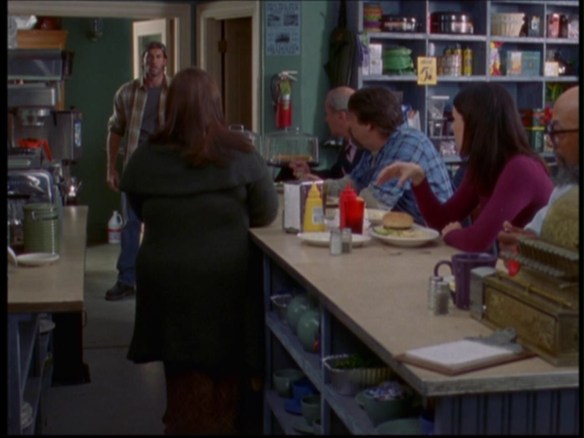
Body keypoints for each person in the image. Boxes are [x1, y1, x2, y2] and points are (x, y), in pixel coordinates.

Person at [119, 67, 278, 434]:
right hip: (227, 278)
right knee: (226, 365)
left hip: (166, 279)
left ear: (169, 106)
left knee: (180, 365)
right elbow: (265, 212)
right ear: (215, 106)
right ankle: (220, 419)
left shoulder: (146, 157)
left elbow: (138, 207)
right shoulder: (241, 153)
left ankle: (184, 417)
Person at [376, 82, 555, 253]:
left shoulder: (521, 169)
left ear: (475, 124)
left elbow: (477, 241)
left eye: (455, 120)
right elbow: (443, 220)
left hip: (541, 271)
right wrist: (418, 179)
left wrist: (452, 234)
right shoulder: (484, 164)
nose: (452, 128)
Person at [304, 86, 453, 225]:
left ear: (368, 125)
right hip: (405, 233)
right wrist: (316, 187)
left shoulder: (408, 143)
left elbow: (375, 204)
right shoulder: (374, 147)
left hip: (434, 236)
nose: (349, 126)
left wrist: (337, 208)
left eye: (352, 119)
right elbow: (352, 184)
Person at [105, 41, 170, 301]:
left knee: (163, 225)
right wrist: (111, 167)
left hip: (165, 170)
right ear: (143, 61)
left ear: (165, 61)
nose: (153, 61)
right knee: (130, 225)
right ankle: (126, 280)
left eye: (158, 56)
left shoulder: (176, 93)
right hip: (134, 168)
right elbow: (114, 130)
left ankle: (161, 280)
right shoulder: (127, 92)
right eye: (149, 57)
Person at [498, 85, 579, 254]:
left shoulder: (521, 167)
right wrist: (522, 242)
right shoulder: (565, 188)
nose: (552, 142)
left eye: (558, 132)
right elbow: (538, 232)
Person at [290, 86, 364, 179]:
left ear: (341, 116)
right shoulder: (348, 143)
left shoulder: (368, 145)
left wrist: (324, 184)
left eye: (327, 114)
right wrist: (309, 172)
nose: (326, 120)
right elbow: (335, 176)